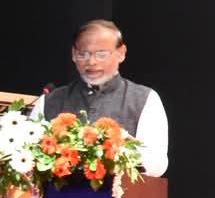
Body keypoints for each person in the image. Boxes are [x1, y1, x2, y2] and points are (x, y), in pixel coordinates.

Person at [33, 19, 169, 177]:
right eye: (83, 54)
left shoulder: (144, 99)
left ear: (121, 53)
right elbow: (28, 156)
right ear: (73, 55)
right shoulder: (50, 100)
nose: (91, 62)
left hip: (121, 191)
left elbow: (157, 164)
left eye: (101, 54)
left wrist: (123, 148)